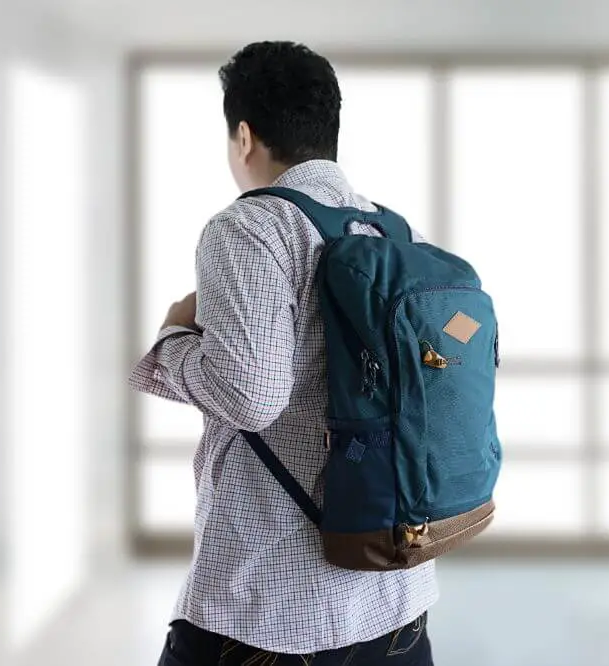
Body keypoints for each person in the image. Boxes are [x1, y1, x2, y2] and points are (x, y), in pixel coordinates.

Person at [130, 41, 436, 666]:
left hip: (270, 603)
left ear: (243, 135)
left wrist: (174, 340)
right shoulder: (396, 234)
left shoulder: (248, 228)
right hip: (396, 588)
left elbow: (253, 395)